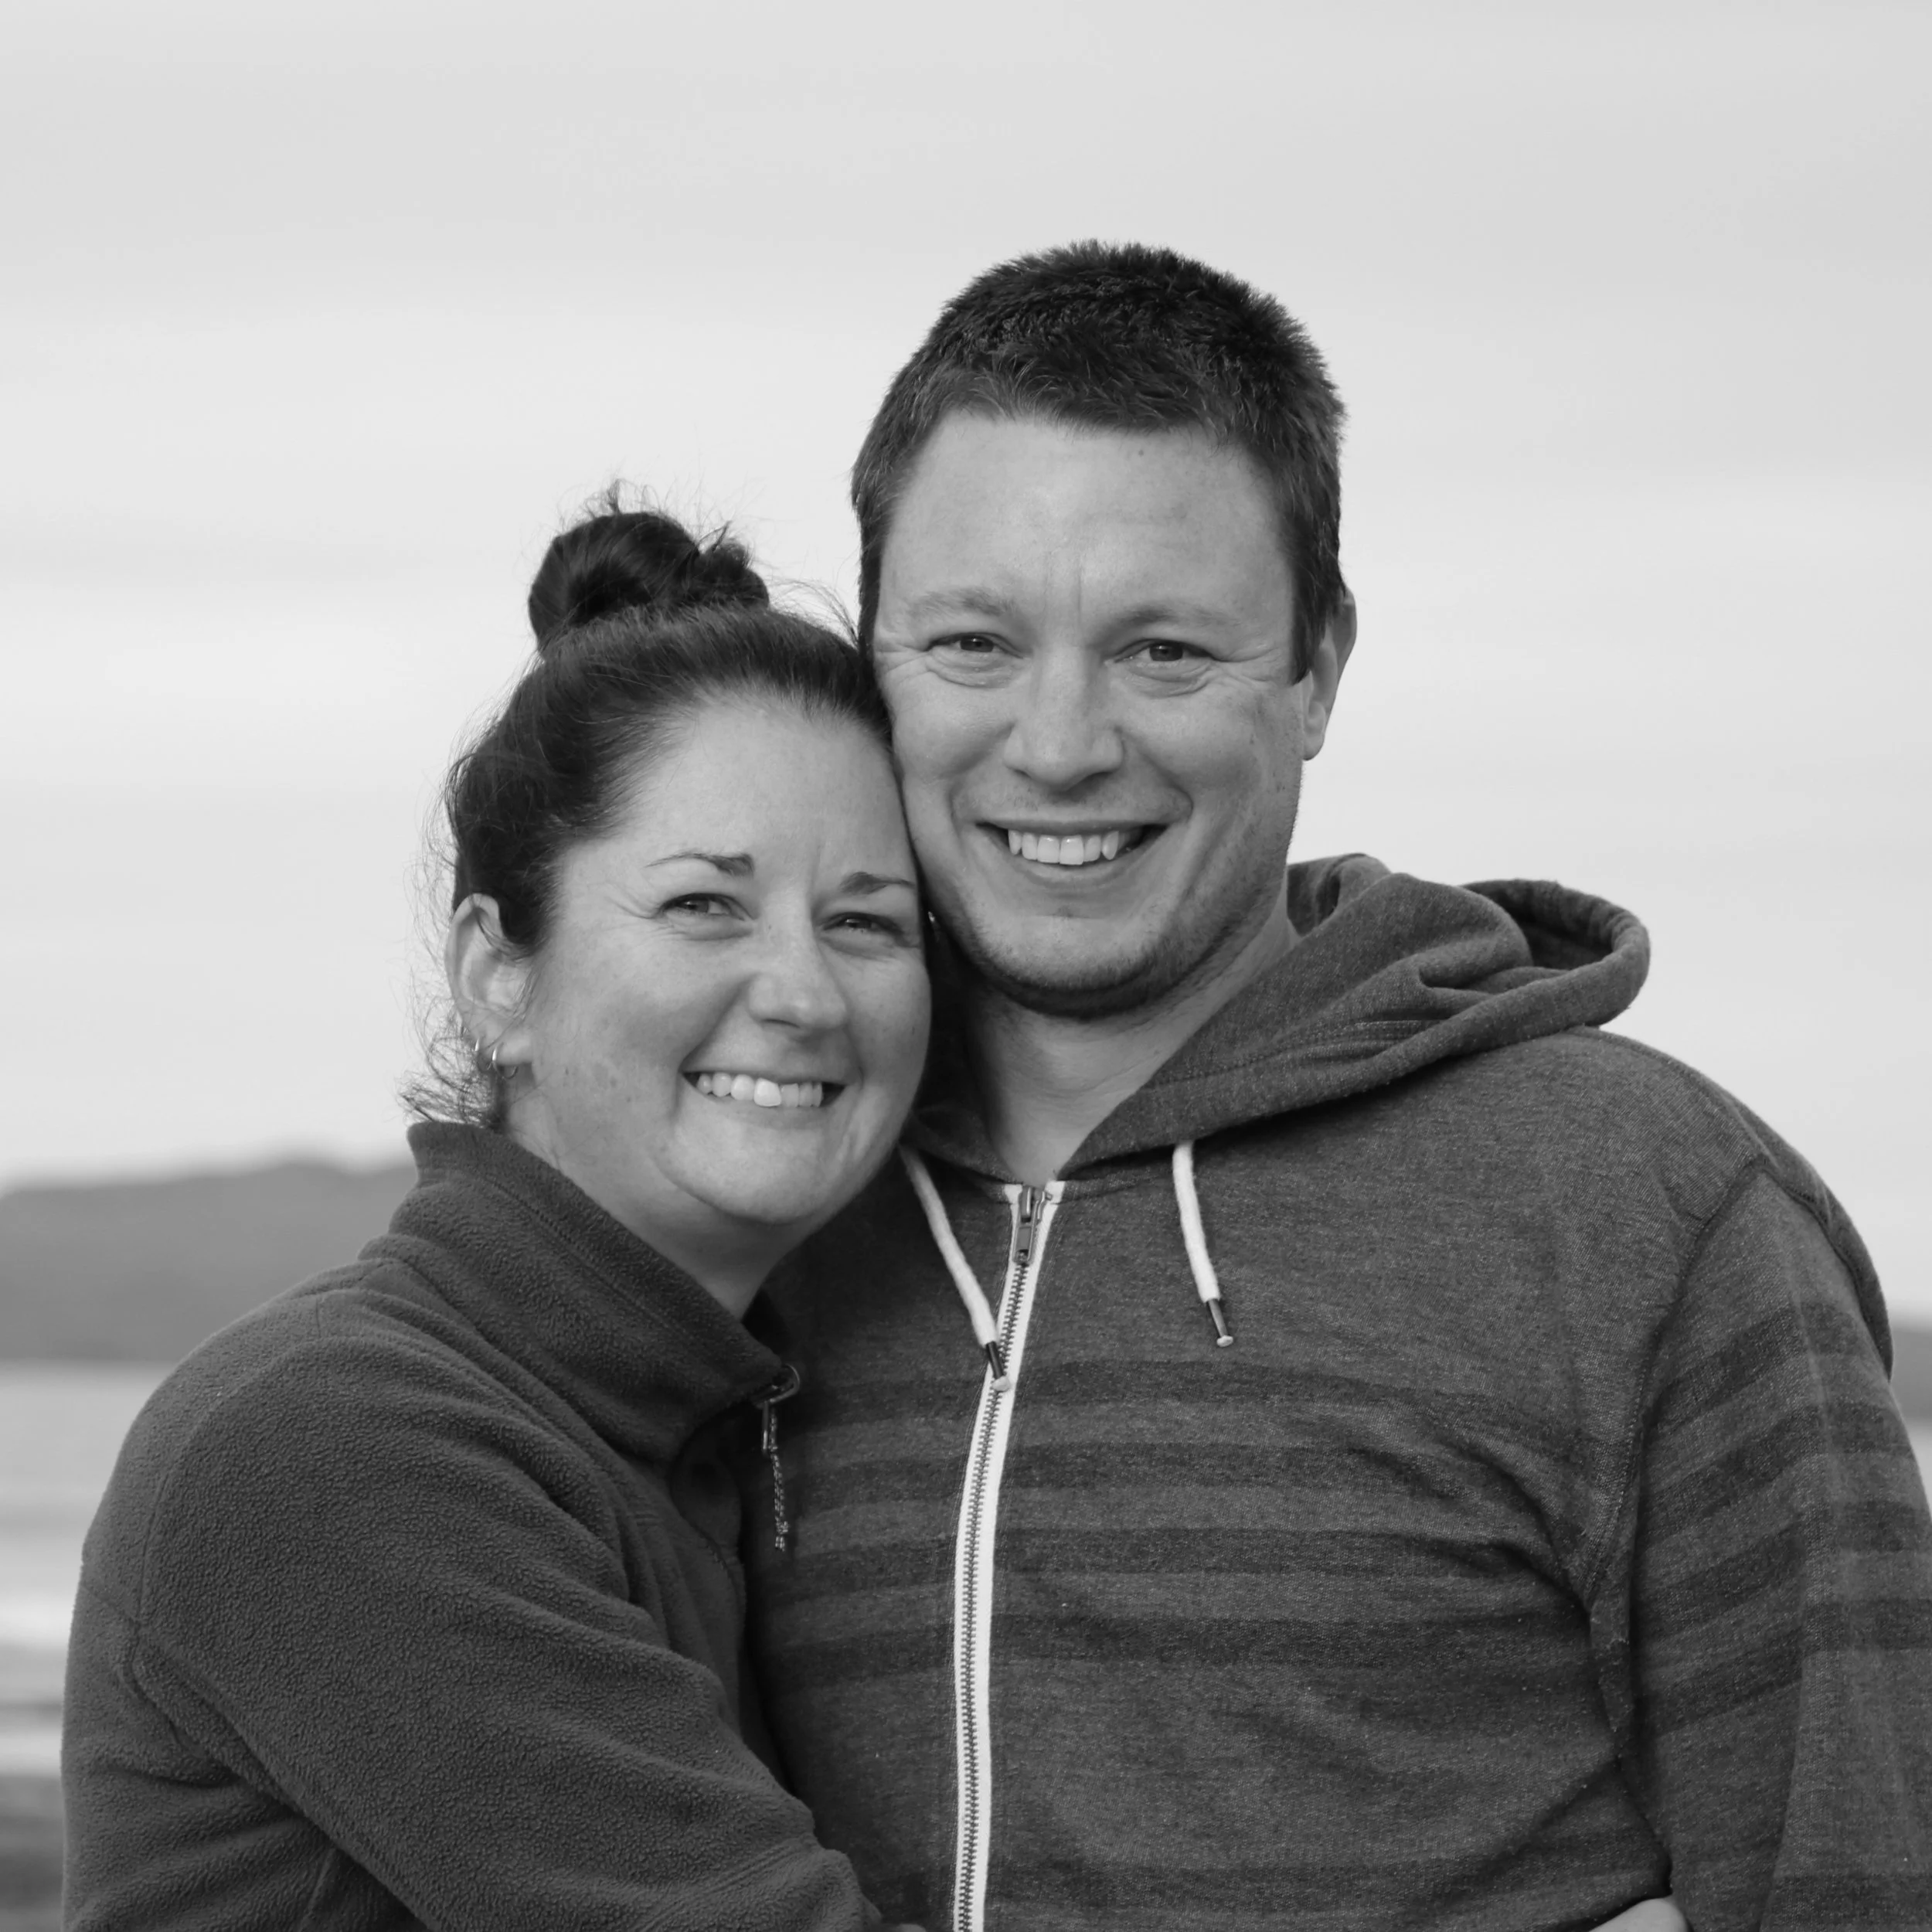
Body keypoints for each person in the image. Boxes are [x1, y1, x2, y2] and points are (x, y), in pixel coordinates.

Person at [741, 243, 1932, 1931]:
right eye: (970, 641)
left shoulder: (1637, 1213)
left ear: (1315, 668)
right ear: (870, 658)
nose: (1061, 741)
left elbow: (1859, 1878)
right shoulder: (763, 1204)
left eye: (1162, 651)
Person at [61, 507, 933, 1929]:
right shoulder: (334, 1442)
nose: (805, 993)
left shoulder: (720, 1437)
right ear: (499, 976)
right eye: (707, 904)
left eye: (868, 922)